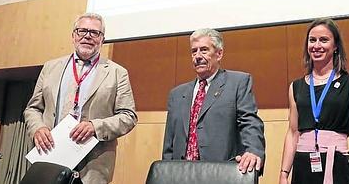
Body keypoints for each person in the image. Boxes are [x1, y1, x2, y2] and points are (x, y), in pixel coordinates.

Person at [24, 13, 137, 183]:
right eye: (82, 31)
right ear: (73, 36)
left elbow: (129, 116)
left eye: (94, 33)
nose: (87, 36)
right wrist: (37, 128)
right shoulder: (50, 67)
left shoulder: (117, 72)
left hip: (92, 167)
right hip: (49, 158)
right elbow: (33, 108)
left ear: (102, 39)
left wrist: (95, 126)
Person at [162, 28, 265, 173]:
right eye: (194, 51)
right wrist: (166, 174)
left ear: (219, 53)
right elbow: (169, 146)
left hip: (220, 173)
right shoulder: (177, 94)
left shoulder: (237, 83)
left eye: (204, 50)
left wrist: (253, 150)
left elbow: (250, 122)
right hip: (181, 174)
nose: (197, 56)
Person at [279, 18, 349, 184]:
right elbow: (292, 132)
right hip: (303, 165)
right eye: (312, 40)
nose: (316, 45)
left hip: (337, 163)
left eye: (323, 40)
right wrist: (284, 173)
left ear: (335, 46)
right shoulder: (296, 86)